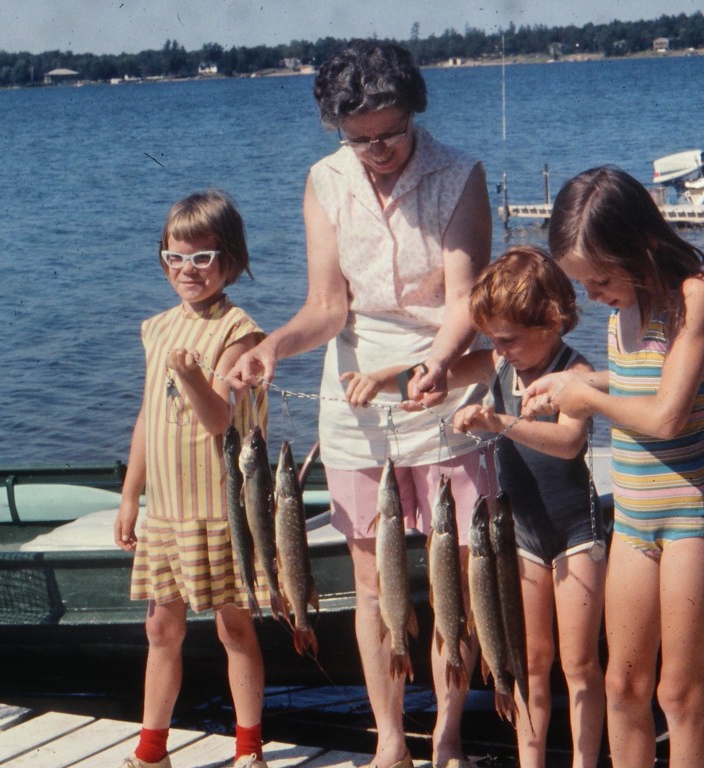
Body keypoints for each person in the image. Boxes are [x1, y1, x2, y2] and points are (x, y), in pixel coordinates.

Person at [229, 39, 492, 768]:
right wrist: (273, 347)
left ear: (416, 112)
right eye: (361, 138)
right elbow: (326, 306)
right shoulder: (325, 180)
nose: (378, 150)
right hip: (353, 398)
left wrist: (435, 362)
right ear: (336, 130)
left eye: (392, 132)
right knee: (373, 583)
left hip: (446, 377)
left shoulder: (460, 174)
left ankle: (447, 737)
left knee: (456, 577)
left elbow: (468, 300)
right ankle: (388, 741)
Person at [345, 245, 610, 768]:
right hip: (524, 536)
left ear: (551, 323)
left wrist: (497, 423)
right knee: (530, 661)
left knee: (579, 663)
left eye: (508, 338)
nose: (500, 348)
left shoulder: (574, 371)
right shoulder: (496, 363)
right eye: (493, 338)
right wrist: (390, 380)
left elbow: (568, 443)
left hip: (576, 530)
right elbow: (438, 374)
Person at [522, 166, 704, 768]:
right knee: (621, 687)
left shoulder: (697, 295)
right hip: (636, 520)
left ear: (639, 246)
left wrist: (587, 399)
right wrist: (577, 378)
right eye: (582, 282)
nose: (592, 296)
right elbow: (637, 382)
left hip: (694, 516)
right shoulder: (624, 312)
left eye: (599, 279)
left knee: (677, 692)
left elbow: (668, 416)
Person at [114, 190, 271, 768]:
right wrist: (132, 496)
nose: (186, 269)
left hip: (221, 510)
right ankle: (152, 750)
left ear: (229, 260)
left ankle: (248, 748)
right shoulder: (156, 329)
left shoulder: (240, 330)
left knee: (234, 630)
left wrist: (190, 375)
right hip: (168, 511)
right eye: (175, 256)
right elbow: (147, 418)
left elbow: (221, 420)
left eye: (203, 258)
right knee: (161, 630)